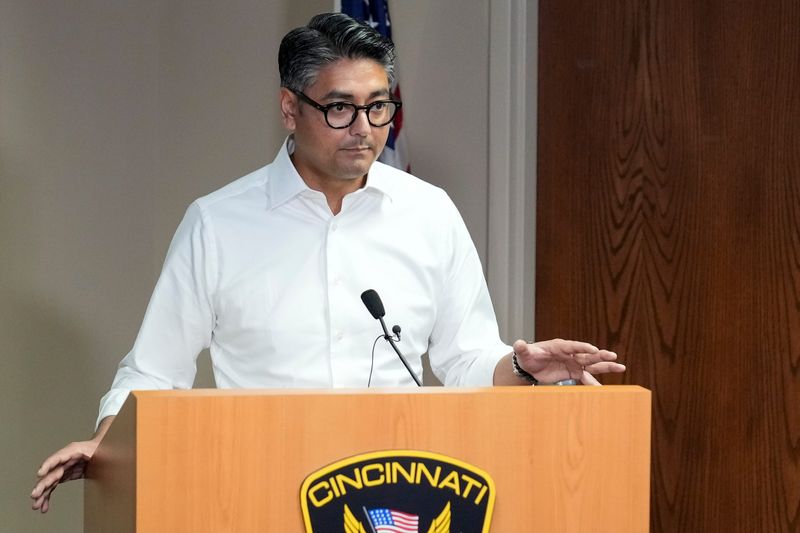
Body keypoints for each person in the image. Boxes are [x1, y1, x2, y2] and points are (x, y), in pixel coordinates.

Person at [30, 12, 625, 513]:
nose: (363, 131)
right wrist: (105, 442)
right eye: (339, 108)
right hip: (258, 493)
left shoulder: (429, 213)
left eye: (378, 108)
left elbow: (464, 355)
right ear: (290, 108)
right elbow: (155, 371)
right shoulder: (218, 223)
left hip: (402, 488)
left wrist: (520, 368)